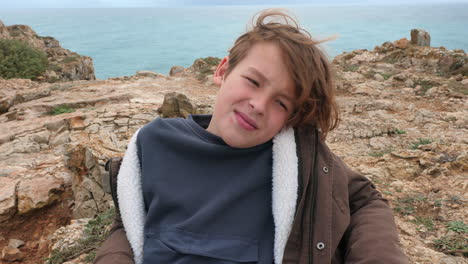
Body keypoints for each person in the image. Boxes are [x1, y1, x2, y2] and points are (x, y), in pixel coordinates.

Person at [94, 9, 408, 264]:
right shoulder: (156, 142)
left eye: (281, 102)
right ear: (222, 71)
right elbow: (129, 223)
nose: (259, 105)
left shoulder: (298, 159)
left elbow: (365, 199)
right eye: (253, 81)